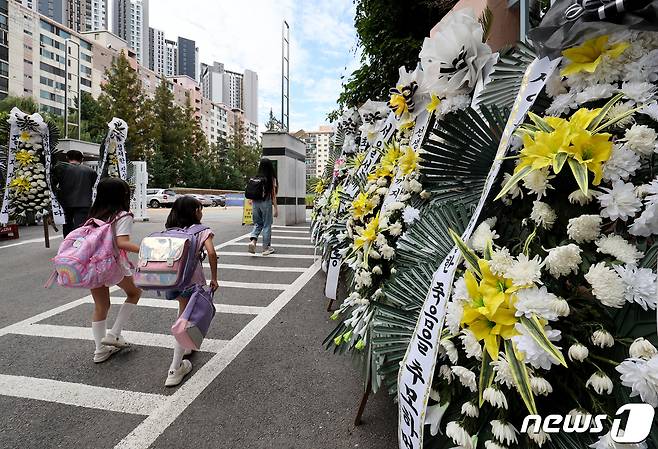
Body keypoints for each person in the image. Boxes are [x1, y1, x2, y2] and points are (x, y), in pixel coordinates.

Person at [164, 196, 218, 387]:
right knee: (184, 321)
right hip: (192, 282)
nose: (202, 211)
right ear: (195, 211)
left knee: (182, 312)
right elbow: (211, 253)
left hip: (172, 281)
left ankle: (185, 348)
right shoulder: (203, 231)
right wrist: (214, 278)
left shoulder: (171, 230)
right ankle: (175, 368)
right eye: (200, 208)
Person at [86, 178, 142, 363]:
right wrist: (147, 249)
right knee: (134, 292)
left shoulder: (94, 214)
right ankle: (115, 333)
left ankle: (100, 350)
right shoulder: (123, 215)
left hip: (91, 263)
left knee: (101, 306)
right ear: (122, 195)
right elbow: (122, 242)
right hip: (110, 264)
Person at [53, 150, 97, 237]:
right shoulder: (90, 171)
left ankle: (67, 243)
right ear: (82, 159)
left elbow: (53, 184)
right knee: (80, 226)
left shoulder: (62, 169)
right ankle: (79, 245)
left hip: (65, 202)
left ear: (67, 157)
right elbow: (94, 184)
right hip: (84, 202)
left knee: (67, 225)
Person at [248, 158, 278, 256]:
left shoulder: (256, 177)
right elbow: (273, 194)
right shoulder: (270, 178)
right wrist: (276, 208)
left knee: (257, 224)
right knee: (266, 225)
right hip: (266, 202)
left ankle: (253, 241)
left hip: (255, 203)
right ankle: (266, 248)